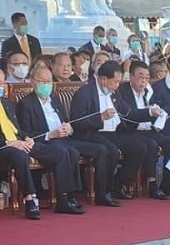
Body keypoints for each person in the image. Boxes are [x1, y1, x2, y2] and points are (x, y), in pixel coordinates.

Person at [17, 64, 120, 207]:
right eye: (42, 81)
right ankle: (66, 198)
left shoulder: (54, 100)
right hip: (46, 142)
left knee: (101, 149)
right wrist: (50, 135)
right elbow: (26, 133)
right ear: (33, 83)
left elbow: (67, 121)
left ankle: (102, 193)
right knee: (68, 152)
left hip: (65, 138)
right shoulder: (26, 104)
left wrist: (69, 128)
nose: (46, 85)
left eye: (49, 81)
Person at [0, 67, 83, 218]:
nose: (2, 87)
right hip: (5, 146)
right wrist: (9, 142)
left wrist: (25, 138)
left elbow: (17, 128)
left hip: (22, 142)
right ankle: (31, 199)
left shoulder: (6, 103)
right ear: (33, 82)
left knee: (66, 151)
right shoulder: (26, 104)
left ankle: (66, 197)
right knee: (23, 156)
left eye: (2, 83)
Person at [70, 60, 147, 200]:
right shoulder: (84, 93)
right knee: (110, 151)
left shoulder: (114, 93)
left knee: (139, 147)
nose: (117, 86)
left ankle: (117, 185)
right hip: (91, 134)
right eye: (115, 82)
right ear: (104, 79)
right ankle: (103, 192)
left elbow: (128, 113)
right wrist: (100, 117)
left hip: (113, 132)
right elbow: (76, 122)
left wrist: (149, 113)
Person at [115, 60, 170, 198]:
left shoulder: (149, 92)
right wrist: (149, 112)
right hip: (130, 131)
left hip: (148, 130)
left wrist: (158, 115)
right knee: (150, 145)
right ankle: (151, 183)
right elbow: (129, 115)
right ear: (131, 76)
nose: (143, 81)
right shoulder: (122, 92)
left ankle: (166, 182)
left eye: (146, 78)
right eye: (140, 77)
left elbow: (157, 110)